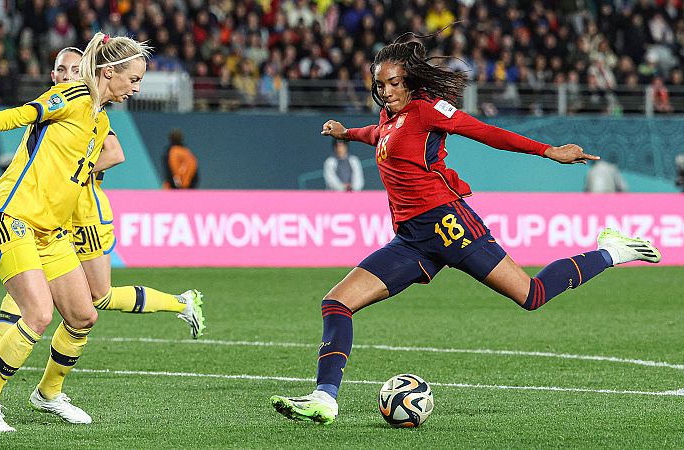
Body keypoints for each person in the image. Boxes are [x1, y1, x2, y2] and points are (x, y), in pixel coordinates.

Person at [270, 36, 662, 425]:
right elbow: (377, 137)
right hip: (411, 241)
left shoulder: (428, 111)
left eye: (393, 83)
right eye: (380, 85)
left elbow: (485, 132)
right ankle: (325, 398)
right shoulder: (387, 120)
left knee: (531, 295)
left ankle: (612, 251)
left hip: (449, 224)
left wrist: (549, 151)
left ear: (409, 81)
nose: (386, 91)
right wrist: (347, 134)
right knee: (336, 303)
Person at [0, 32, 151, 432]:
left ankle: (47, 395)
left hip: (50, 232)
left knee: (83, 316)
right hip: (9, 218)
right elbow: (20, 114)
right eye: (133, 79)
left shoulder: (100, 121)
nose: (136, 88)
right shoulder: (73, 97)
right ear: (110, 71)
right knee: (38, 312)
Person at [0, 47, 206, 390]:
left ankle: (180, 302)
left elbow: (114, 154)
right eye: (60, 69)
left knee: (94, 300)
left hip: (83, 215)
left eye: (74, 69)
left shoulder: (96, 114)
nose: (66, 75)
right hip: (44, 217)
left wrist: (77, 172)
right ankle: (6, 376)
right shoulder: (73, 102)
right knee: (33, 298)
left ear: (89, 70)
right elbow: (24, 116)